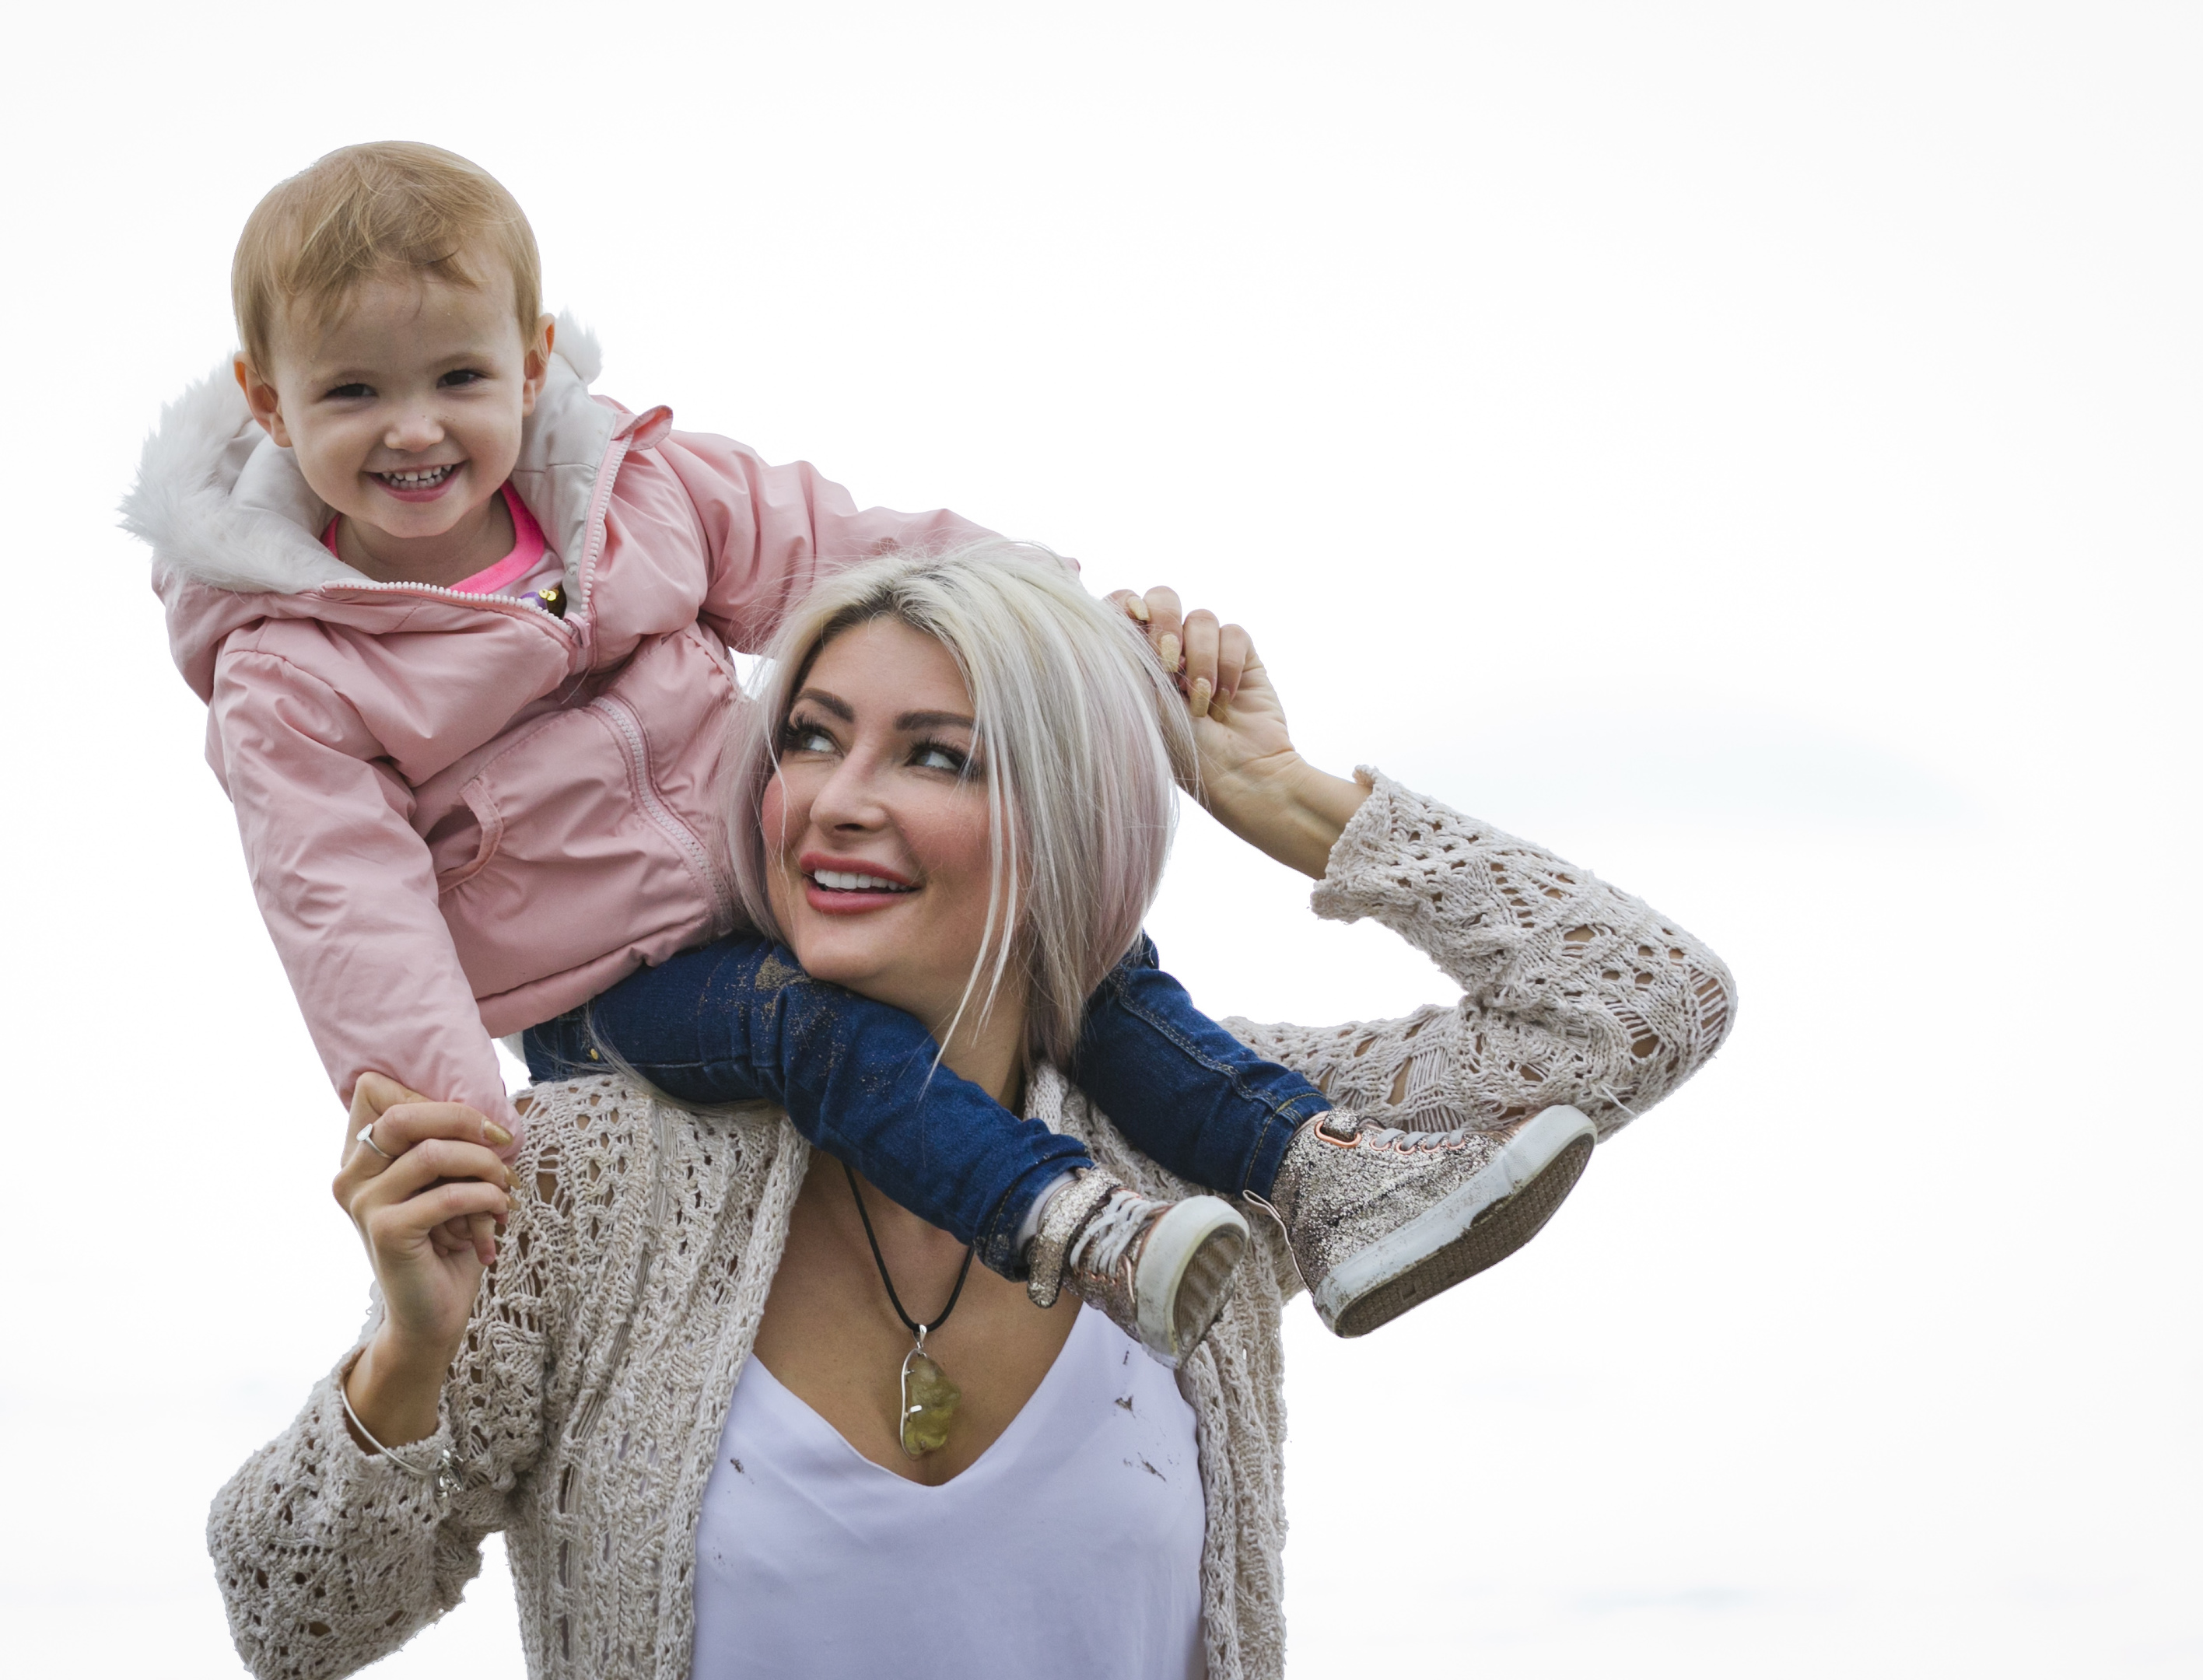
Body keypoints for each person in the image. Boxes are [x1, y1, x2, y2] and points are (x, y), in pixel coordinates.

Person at [124, 141, 1596, 1363]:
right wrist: (458, 1149)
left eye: (456, 379)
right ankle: (1079, 1227)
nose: (414, 432)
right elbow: (350, 914)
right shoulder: (295, 665)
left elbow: (858, 560)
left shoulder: (640, 492)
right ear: (267, 399)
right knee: (808, 1030)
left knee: (1070, 946)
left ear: (533, 359)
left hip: (768, 890)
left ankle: (1319, 1176)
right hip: (606, 1000)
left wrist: (1066, 625)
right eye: (352, 395)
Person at [206, 546, 1736, 1679]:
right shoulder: (595, 1176)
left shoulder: (1207, 1141)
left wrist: (1275, 791)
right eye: (807, 737)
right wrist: (404, 1363)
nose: (837, 800)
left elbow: (1644, 1006)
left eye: (935, 755)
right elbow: (291, 1616)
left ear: (1068, 813)